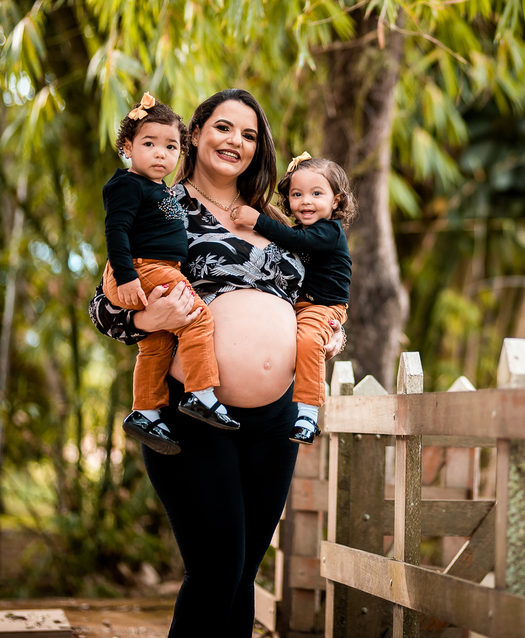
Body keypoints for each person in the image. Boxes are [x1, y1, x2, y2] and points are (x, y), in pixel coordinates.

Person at [88, 89, 343, 637]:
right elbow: (102, 306)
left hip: (275, 418)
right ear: (196, 133)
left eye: (249, 135)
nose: (236, 142)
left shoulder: (277, 220)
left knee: (243, 573)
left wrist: (330, 330)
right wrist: (147, 322)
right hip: (194, 413)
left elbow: (318, 294)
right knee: (217, 568)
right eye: (224, 128)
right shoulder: (159, 202)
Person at [101, 92, 239, 456]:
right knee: (197, 320)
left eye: (170, 146)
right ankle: (202, 393)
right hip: (144, 268)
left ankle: (145, 410)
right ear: (128, 147)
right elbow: (116, 232)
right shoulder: (127, 185)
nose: (161, 153)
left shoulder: (160, 190)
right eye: (150, 144)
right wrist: (127, 275)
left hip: (157, 270)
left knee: (158, 345)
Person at [232, 152, 353, 444]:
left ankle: (309, 413)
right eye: (297, 194)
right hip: (302, 307)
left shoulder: (326, 231)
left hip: (321, 306)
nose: (306, 201)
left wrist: (258, 220)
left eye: (316, 193)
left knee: (310, 341)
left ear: (336, 200)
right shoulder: (170, 204)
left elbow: (296, 241)